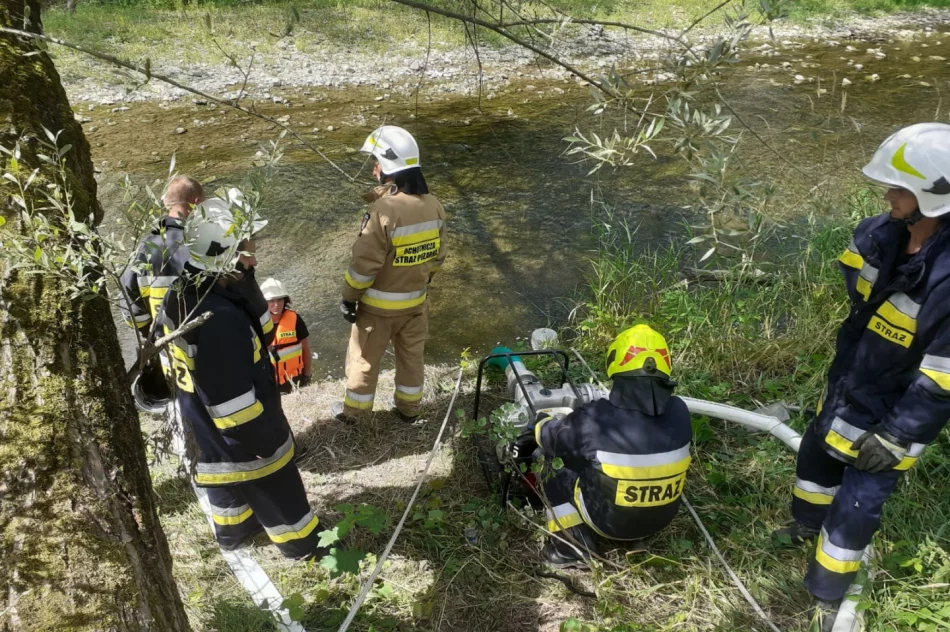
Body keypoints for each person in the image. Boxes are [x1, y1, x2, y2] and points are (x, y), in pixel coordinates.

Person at [772, 122, 950, 631]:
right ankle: (804, 524)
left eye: (900, 188)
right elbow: (859, 291)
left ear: (934, 198)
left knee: (857, 501)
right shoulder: (881, 235)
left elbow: (941, 380)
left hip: (899, 409)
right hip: (856, 379)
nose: (887, 196)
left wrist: (896, 438)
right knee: (816, 455)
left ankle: (827, 591)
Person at [161, 200, 327, 559]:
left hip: (202, 422)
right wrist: (264, 441)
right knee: (279, 487)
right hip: (240, 433)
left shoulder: (186, 292)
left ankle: (236, 533)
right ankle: (306, 548)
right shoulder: (218, 318)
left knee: (224, 481)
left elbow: (258, 334)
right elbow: (233, 402)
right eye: (246, 253)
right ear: (223, 257)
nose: (253, 261)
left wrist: (244, 282)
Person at [533, 325, 692, 568]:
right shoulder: (680, 410)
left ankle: (571, 549)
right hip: (660, 522)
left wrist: (543, 419)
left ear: (615, 363)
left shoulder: (596, 420)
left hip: (607, 523)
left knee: (550, 462)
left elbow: (549, 438)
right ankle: (637, 538)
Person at [332, 126, 448, 424]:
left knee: (364, 362)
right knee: (412, 359)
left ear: (389, 170)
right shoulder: (434, 205)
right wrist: (419, 281)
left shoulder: (382, 210)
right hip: (415, 306)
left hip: (377, 310)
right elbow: (438, 258)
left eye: (376, 163)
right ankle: (409, 410)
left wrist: (349, 298)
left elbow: (364, 267)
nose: (373, 168)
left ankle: (355, 416)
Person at [260, 278, 312, 394]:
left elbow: (306, 349)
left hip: (295, 380)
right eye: (271, 301)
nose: (276, 305)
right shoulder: (257, 325)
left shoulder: (295, 320)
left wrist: (307, 375)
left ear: (285, 300)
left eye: (280, 300)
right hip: (270, 384)